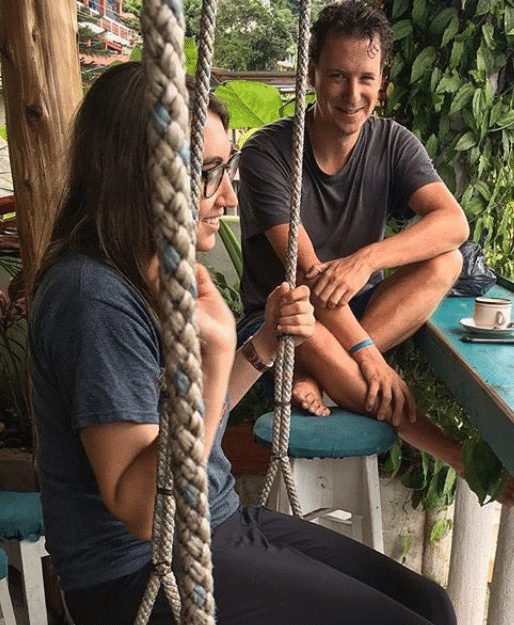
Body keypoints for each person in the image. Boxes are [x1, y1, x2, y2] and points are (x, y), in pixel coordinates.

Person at [29, 61, 456, 625]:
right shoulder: (94, 299)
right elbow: (140, 509)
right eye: (207, 172)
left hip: (216, 520)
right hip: (141, 572)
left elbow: (190, 426)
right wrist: (215, 353)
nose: (228, 196)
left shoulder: (152, 268)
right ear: (141, 176)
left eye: (224, 168)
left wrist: (261, 349)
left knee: (427, 604)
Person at [237, 1, 469, 472]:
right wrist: (367, 356)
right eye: (338, 76)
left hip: (362, 311)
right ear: (312, 74)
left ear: (381, 82)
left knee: (448, 262)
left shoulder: (393, 142)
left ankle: (322, 380)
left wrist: (365, 260)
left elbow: (453, 224)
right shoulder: (268, 152)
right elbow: (307, 275)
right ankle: (447, 450)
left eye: (366, 77)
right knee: (307, 326)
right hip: (282, 318)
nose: (353, 93)